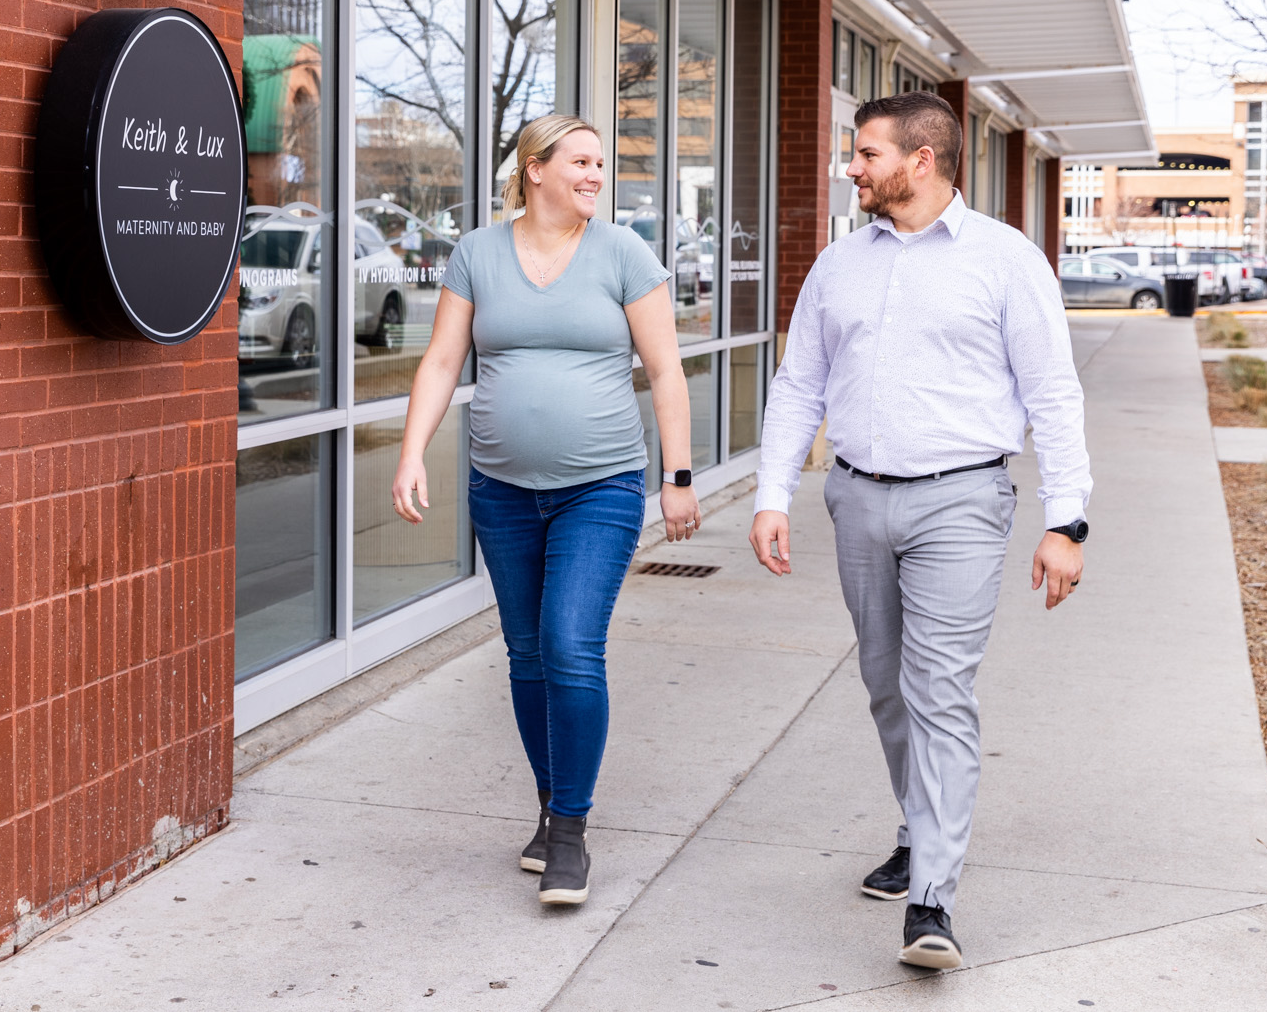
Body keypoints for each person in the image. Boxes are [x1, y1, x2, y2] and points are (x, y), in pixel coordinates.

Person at [747, 91, 1091, 970]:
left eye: (865, 154)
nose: (851, 168)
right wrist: (772, 493)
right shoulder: (839, 264)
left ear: (922, 160)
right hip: (858, 498)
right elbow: (799, 386)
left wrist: (1067, 520)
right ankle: (918, 826)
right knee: (885, 685)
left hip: (962, 502)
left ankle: (932, 898)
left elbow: (1053, 395)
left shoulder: (1008, 262)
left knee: (939, 688)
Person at [391, 113, 700, 907]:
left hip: (600, 488)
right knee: (526, 656)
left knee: (569, 646)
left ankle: (569, 831)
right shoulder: (478, 254)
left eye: (601, 164)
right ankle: (547, 806)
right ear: (535, 168)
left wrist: (679, 475)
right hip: (500, 489)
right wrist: (411, 451)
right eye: (582, 161)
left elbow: (665, 371)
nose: (596, 176)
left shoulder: (623, 253)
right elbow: (441, 359)